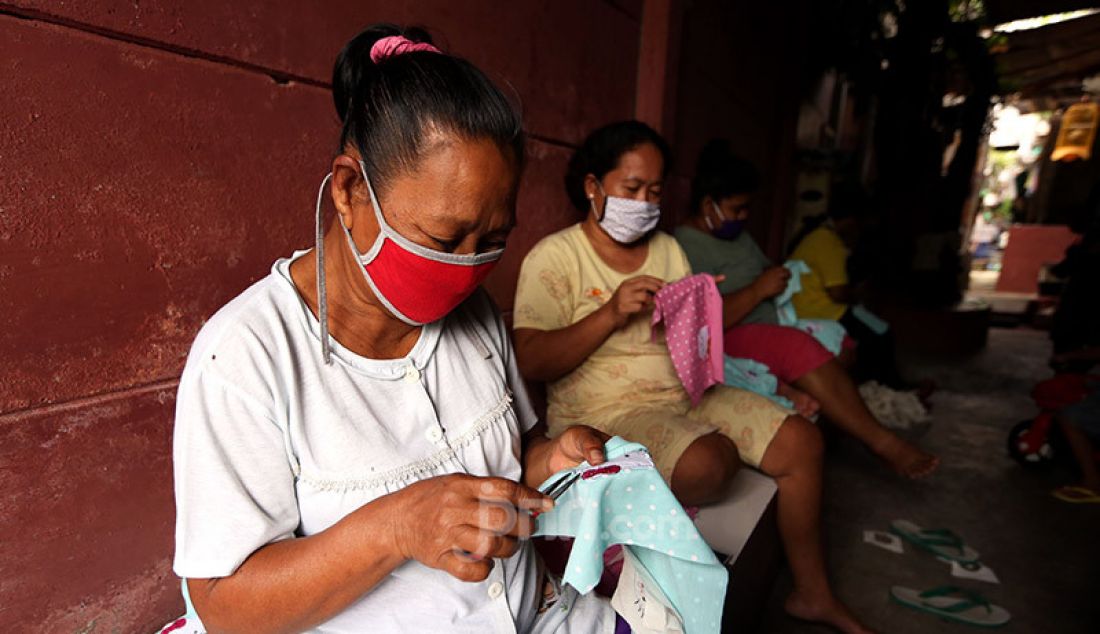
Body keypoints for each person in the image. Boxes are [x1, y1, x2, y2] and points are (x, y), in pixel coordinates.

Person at [171, 24, 620, 633]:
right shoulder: (247, 358)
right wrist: (396, 525)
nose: (465, 267)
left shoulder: (478, 316)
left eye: (492, 241)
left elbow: (511, 466)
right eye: (441, 238)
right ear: (351, 192)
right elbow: (225, 607)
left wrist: (552, 461)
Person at [513, 121, 873, 634]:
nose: (644, 201)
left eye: (654, 191)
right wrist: (610, 313)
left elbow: (696, 343)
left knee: (801, 441)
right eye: (630, 189)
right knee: (710, 461)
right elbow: (531, 359)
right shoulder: (556, 256)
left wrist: (708, 309)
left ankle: (813, 594)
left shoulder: (667, 250)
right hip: (604, 412)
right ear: (593, 187)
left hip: (685, 393)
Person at [675, 140, 937, 478]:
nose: (744, 217)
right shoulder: (683, 246)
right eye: (737, 209)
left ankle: (836, 427)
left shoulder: (736, 237)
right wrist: (758, 290)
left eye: (746, 208)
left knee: (841, 347)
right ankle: (885, 444)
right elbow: (701, 324)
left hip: (770, 320)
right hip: (734, 332)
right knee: (800, 348)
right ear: (708, 205)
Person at [789, 185, 910, 390]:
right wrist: (857, 294)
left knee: (875, 330)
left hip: (809, 306)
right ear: (853, 220)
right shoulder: (828, 242)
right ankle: (886, 387)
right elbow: (838, 293)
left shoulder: (818, 235)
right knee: (880, 334)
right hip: (819, 311)